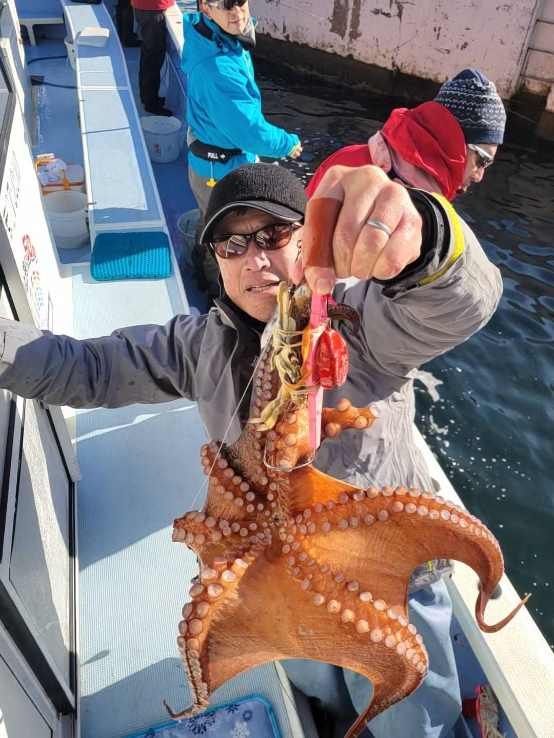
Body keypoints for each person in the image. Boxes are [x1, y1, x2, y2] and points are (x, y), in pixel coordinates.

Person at [0, 163, 502, 738]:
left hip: (385, 578)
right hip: (273, 578)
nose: (255, 259)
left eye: (274, 235)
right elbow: (86, 367)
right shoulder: (197, 345)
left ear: (309, 239)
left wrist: (425, 235)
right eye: (231, 244)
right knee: (322, 691)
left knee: (411, 715)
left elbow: (456, 303)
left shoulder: (362, 323)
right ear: (215, 260)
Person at [306, 68, 506, 201]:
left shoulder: (344, 160)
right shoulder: (430, 213)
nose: (480, 176)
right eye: (482, 160)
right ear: (452, 140)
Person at [182, 1, 302, 216]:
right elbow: (249, 132)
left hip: (214, 163)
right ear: (206, 8)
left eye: (240, 2)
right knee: (227, 231)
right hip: (221, 175)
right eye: (226, 5)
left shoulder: (215, 38)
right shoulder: (217, 69)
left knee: (210, 220)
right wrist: (288, 144)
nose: (237, 12)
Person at [131, 0, 175, 116]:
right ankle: (150, 103)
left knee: (149, 55)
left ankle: (147, 97)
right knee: (152, 58)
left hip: (147, 8)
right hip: (152, 9)